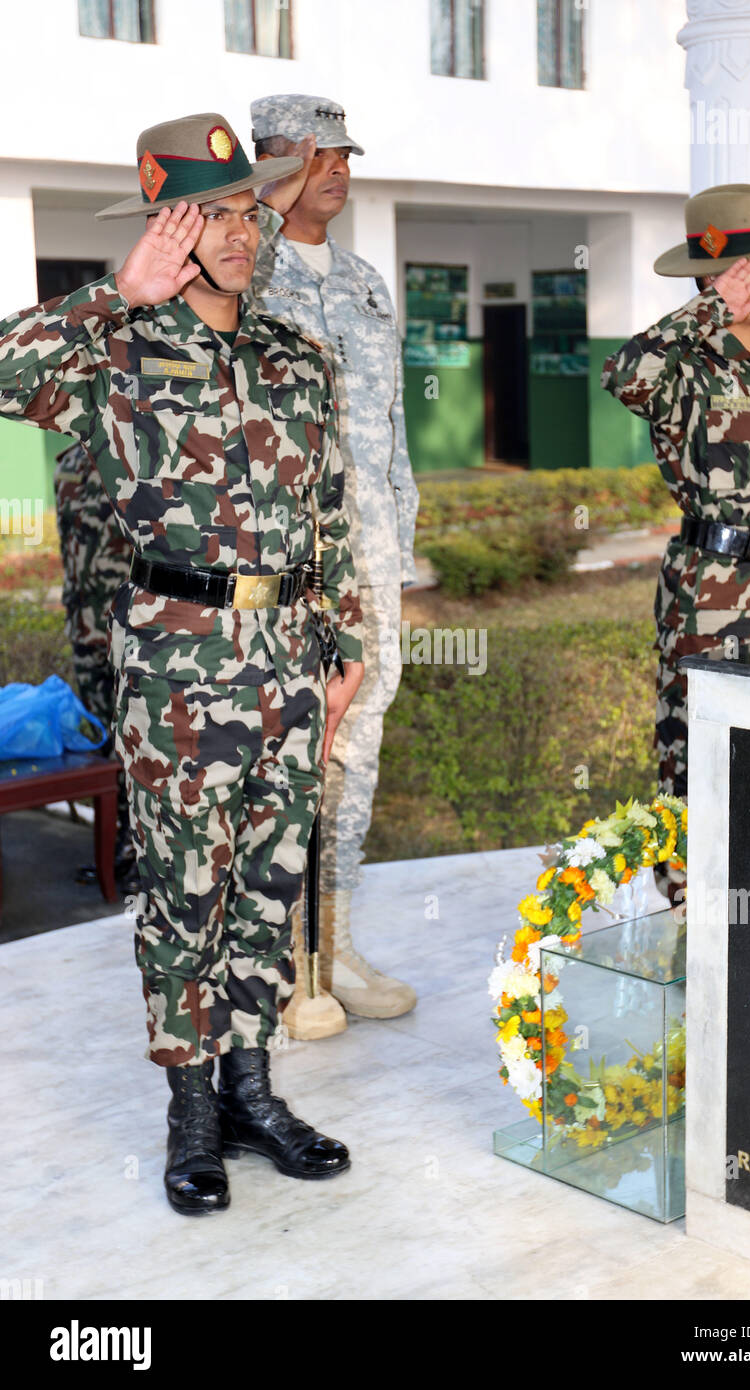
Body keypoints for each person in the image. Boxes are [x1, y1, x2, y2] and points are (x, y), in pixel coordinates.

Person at [0, 112, 365, 1215]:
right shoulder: (110, 351)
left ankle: (254, 1091)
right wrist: (119, 292)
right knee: (183, 892)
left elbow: (329, 509)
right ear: (168, 225)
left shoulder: (295, 353)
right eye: (214, 212)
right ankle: (192, 1109)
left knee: (266, 881)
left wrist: (342, 646)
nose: (243, 229)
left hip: (290, 657)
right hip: (177, 660)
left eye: (249, 206)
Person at [250, 94, 419, 1036]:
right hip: (293, 565)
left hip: (373, 558)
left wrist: (398, 534)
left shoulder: (362, 280)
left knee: (358, 751)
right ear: (274, 165)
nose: (339, 172)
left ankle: (336, 943)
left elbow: (389, 425)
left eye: (345, 156)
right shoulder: (246, 274)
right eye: (321, 158)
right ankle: (281, 966)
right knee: (289, 751)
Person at [601, 184, 750, 904]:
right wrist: (709, 309)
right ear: (719, 276)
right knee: (697, 761)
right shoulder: (685, 364)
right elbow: (623, 375)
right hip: (711, 597)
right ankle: (686, 924)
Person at [54, 441, 137, 886]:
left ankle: (147, 851)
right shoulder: (66, 462)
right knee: (105, 743)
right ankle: (120, 845)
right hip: (85, 628)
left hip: (129, 630)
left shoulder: (134, 456)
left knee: (140, 743)